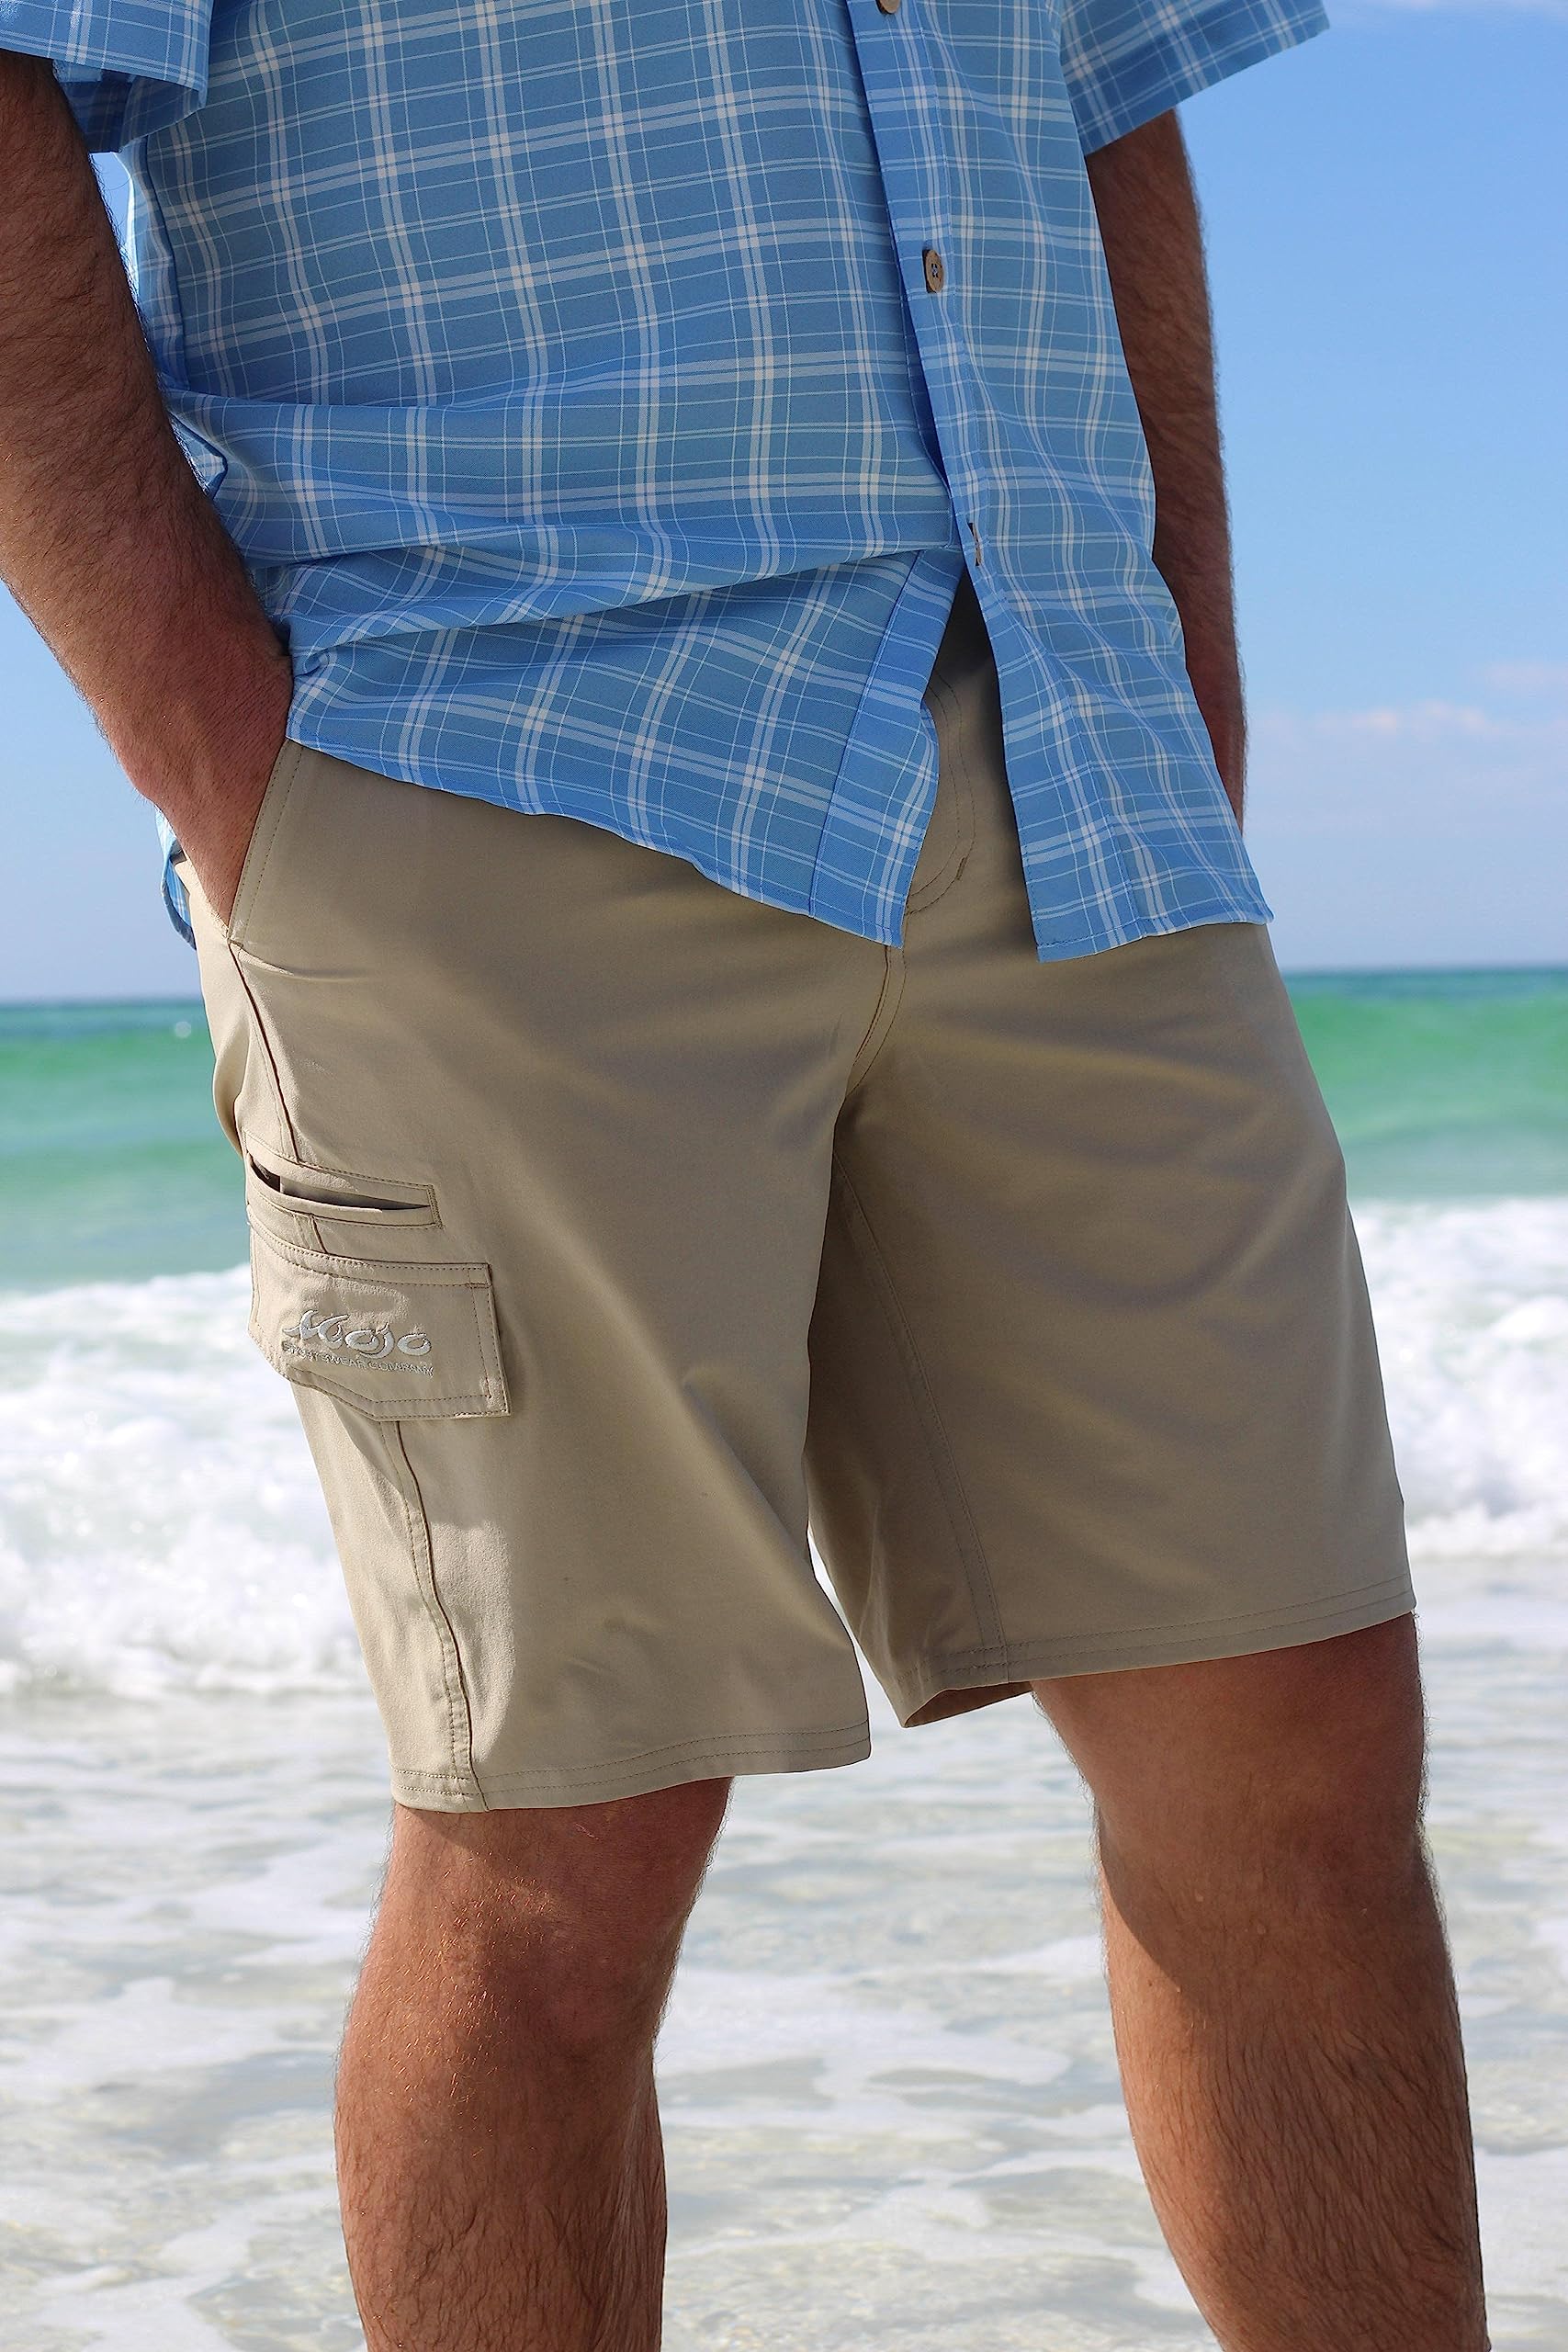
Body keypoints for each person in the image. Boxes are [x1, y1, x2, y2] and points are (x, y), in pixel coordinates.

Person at [0, 0, 1488, 2341]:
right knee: (565, 1846)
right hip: (495, 740)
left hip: (1068, 751)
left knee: (1297, 1756)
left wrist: (1173, 652)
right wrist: (225, 747)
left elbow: (1104, 91)